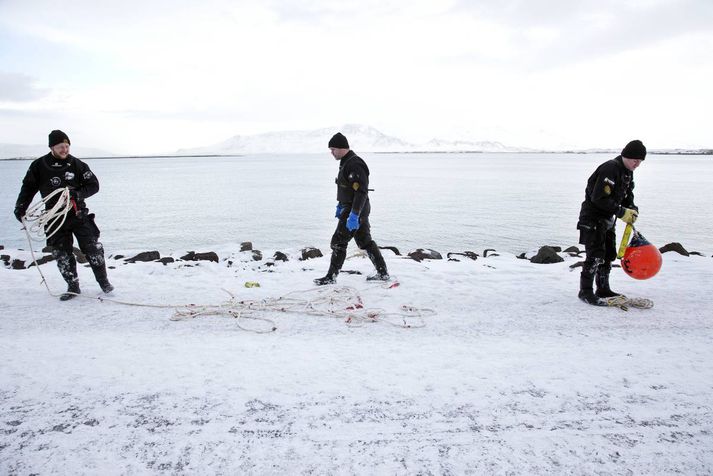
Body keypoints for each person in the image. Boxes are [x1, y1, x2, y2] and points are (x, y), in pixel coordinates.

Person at [14, 130, 114, 301]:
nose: (65, 150)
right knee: (61, 253)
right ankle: (73, 286)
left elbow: (94, 185)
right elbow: (28, 188)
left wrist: (77, 194)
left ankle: (104, 283)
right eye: (61, 146)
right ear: (52, 147)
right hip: (54, 217)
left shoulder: (77, 164)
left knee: (92, 248)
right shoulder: (39, 166)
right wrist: (21, 207)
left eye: (67, 146)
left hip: (78, 214)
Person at [314, 132, 390, 285]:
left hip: (355, 210)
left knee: (338, 242)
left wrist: (354, 215)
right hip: (350, 208)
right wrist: (340, 204)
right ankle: (383, 273)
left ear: (342, 148)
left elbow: (361, 191)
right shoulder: (345, 162)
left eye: (333, 149)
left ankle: (331, 277)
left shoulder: (355, 164)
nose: (331, 153)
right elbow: (346, 187)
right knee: (365, 242)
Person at [577, 139, 646, 305]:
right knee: (594, 255)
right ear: (626, 156)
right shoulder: (610, 168)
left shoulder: (627, 172)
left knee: (608, 255)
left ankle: (603, 288)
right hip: (593, 218)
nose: (637, 164)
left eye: (640, 162)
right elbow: (598, 198)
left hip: (608, 219)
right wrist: (622, 212)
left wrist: (632, 209)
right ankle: (585, 292)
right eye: (635, 160)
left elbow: (627, 195)